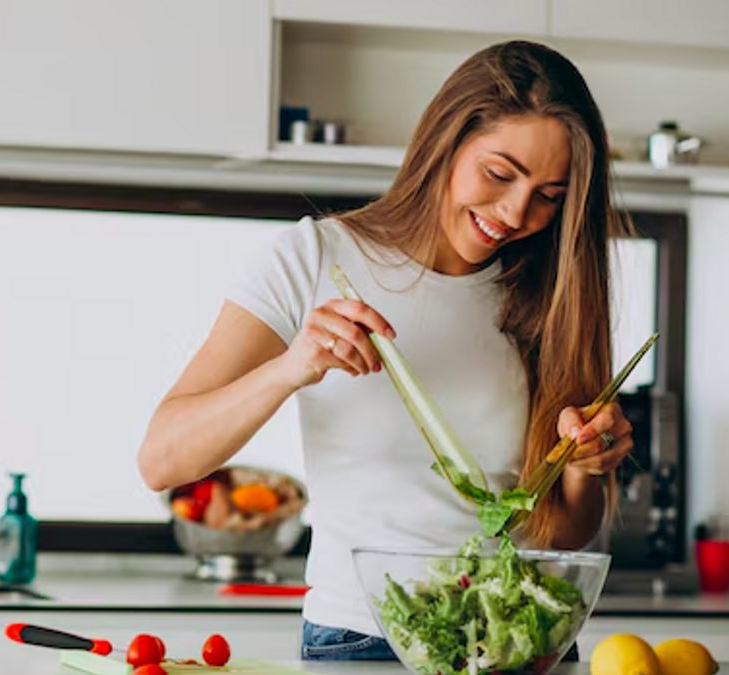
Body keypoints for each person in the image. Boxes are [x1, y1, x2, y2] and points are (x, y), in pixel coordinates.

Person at [137, 40, 634, 662]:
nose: (515, 212)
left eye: (549, 196)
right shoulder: (314, 260)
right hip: (363, 639)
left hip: (522, 638)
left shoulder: (549, 294)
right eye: (499, 174)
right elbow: (163, 459)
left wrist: (588, 465)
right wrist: (291, 367)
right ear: (446, 143)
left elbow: (559, 529)